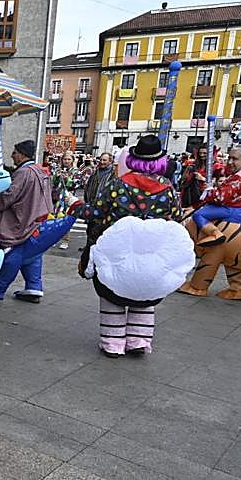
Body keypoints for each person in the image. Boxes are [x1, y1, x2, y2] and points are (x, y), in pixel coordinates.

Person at [75, 134, 184, 357]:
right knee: (145, 294)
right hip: (153, 252)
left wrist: (74, 206)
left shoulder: (118, 184)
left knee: (112, 293)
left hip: (118, 250)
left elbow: (96, 212)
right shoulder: (168, 187)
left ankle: (113, 343)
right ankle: (138, 341)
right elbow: (176, 217)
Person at [0, 140, 53, 302]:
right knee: (34, 255)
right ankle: (34, 287)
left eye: (15, 152)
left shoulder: (23, 173)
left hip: (22, 222)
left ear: (22, 154)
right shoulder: (40, 171)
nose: (12, 155)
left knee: (13, 255)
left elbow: (9, 196)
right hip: (37, 220)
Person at [188, 145, 241, 246]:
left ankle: (215, 234)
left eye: (234, 159)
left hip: (235, 211)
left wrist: (209, 191)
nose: (229, 162)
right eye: (229, 158)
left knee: (199, 214)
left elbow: (220, 197)